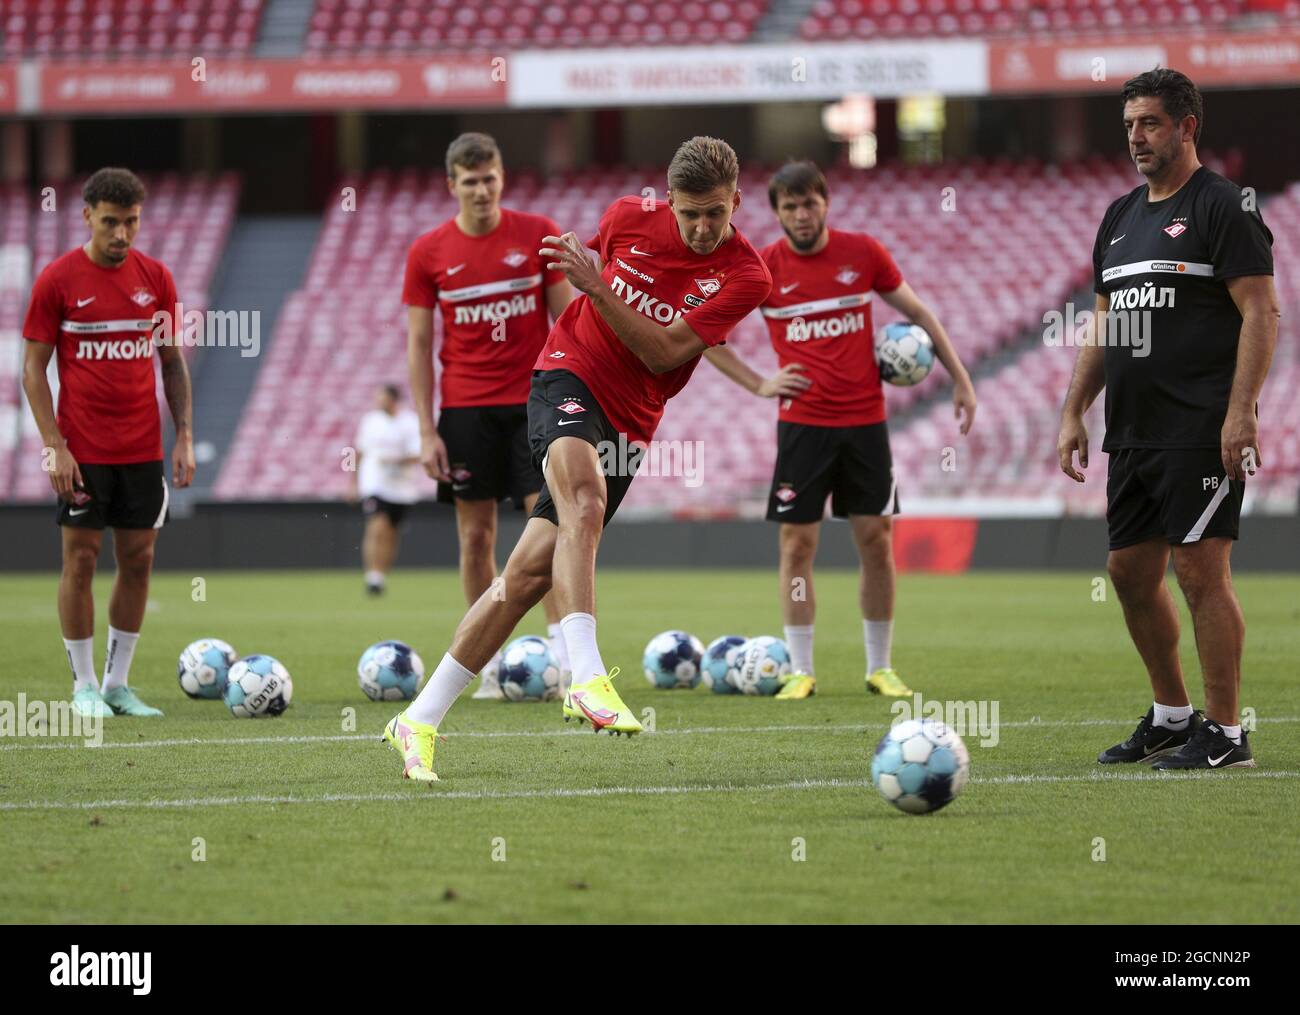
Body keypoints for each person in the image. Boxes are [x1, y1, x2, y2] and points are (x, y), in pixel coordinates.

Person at [382, 136, 772, 780]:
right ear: (668, 199)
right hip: (566, 375)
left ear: (735, 201)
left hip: (633, 418)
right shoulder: (626, 218)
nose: (703, 228)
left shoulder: (745, 274)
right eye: (690, 213)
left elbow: (664, 352)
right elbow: (590, 283)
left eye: (716, 213)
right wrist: (590, 278)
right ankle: (586, 676)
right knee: (583, 503)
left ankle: (416, 719)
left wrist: (596, 284)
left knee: (523, 578)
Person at [1057, 69, 1278, 769]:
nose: (1136, 138)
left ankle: (1226, 733)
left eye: (1150, 123)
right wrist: (1072, 412)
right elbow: (1105, 327)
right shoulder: (1120, 218)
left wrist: (1240, 410)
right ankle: (1173, 714)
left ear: (1187, 127)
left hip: (1201, 426)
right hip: (1134, 431)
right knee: (1127, 571)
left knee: (1199, 570)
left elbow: (1262, 311)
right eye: (1129, 126)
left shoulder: (1224, 206)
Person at [706, 160, 976, 699]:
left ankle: (880, 667)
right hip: (802, 427)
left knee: (877, 541)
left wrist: (961, 378)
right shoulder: (761, 270)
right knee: (796, 545)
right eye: (790, 207)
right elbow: (705, 334)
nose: (802, 215)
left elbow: (920, 314)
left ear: (825, 203)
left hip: (866, 424)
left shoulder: (863, 254)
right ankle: (802, 669)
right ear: (777, 212)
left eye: (810, 203)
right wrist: (759, 383)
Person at [404, 132, 575, 697]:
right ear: (453, 185)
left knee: (546, 529)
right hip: (465, 412)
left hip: (534, 404)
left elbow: (568, 325)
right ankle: (486, 661)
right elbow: (419, 345)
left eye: (490, 177)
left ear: (502, 178)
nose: (482, 189)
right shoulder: (428, 253)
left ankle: (563, 656)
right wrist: (427, 430)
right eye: (470, 180)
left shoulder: (535, 234)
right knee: (476, 538)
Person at [21, 167, 196, 718]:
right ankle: (83, 685)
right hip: (83, 450)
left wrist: (185, 434)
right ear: (87, 217)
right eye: (111, 223)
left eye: (132, 223)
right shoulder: (58, 280)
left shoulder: (157, 278)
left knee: (139, 559)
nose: (122, 235)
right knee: (81, 560)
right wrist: (55, 444)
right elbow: (32, 370)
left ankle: (119, 685)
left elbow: (171, 362)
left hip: (141, 448)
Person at [351, 384, 421, 595]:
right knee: (376, 525)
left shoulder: (409, 422)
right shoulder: (370, 421)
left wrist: (396, 460)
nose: (378, 402)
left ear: (394, 400)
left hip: (400, 488)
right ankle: (372, 576)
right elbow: (359, 451)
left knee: (392, 531)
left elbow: (419, 453)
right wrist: (352, 482)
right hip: (374, 483)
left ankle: (381, 575)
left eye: (382, 398)